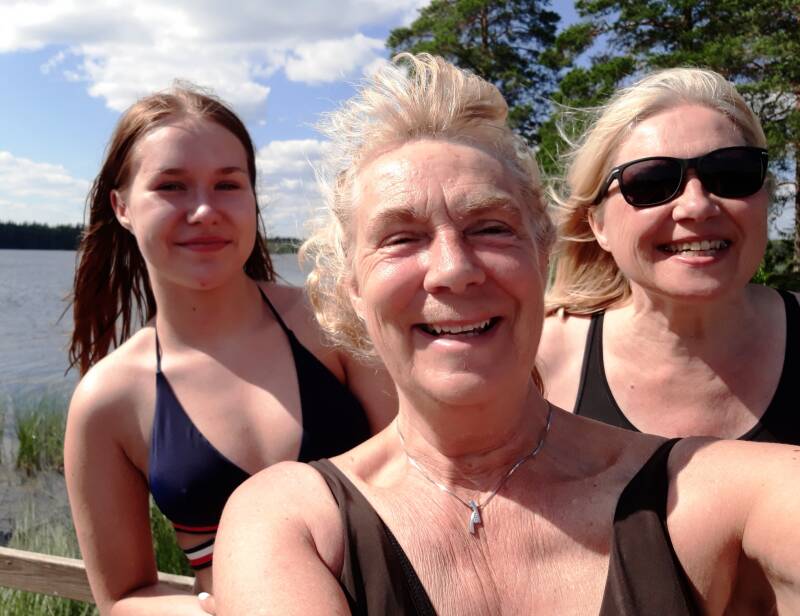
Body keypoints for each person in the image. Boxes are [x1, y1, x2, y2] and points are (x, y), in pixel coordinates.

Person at [213, 54, 800, 615]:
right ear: (353, 289)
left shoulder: (707, 493)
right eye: (401, 238)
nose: (453, 269)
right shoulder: (293, 522)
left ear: (542, 254)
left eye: (490, 228)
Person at [63, 85, 396, 615]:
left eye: (227, 184)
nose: (204, 210)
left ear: (252, 199)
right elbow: (123, 595)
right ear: (122, 206)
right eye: (171, 186)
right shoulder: (107, 400)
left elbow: (430, 475)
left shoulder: (332, 321)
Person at [539, 68, 799, 445]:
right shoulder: (537, 362)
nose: (697, 206)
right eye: (651, 183)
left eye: (731, 173)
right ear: (598, 224)